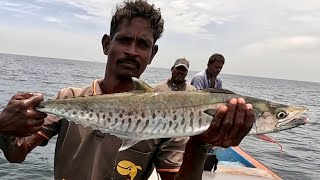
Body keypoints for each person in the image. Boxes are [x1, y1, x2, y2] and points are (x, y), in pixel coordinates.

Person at [0, 1, 254, 180]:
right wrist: (4, 128)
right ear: (106, 44)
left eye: (143, 44)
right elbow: (17, 154)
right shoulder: (69, 98)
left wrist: (199, 144)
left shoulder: (170, 118)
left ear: (152, 54)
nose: (132, 51)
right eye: (124, 40)